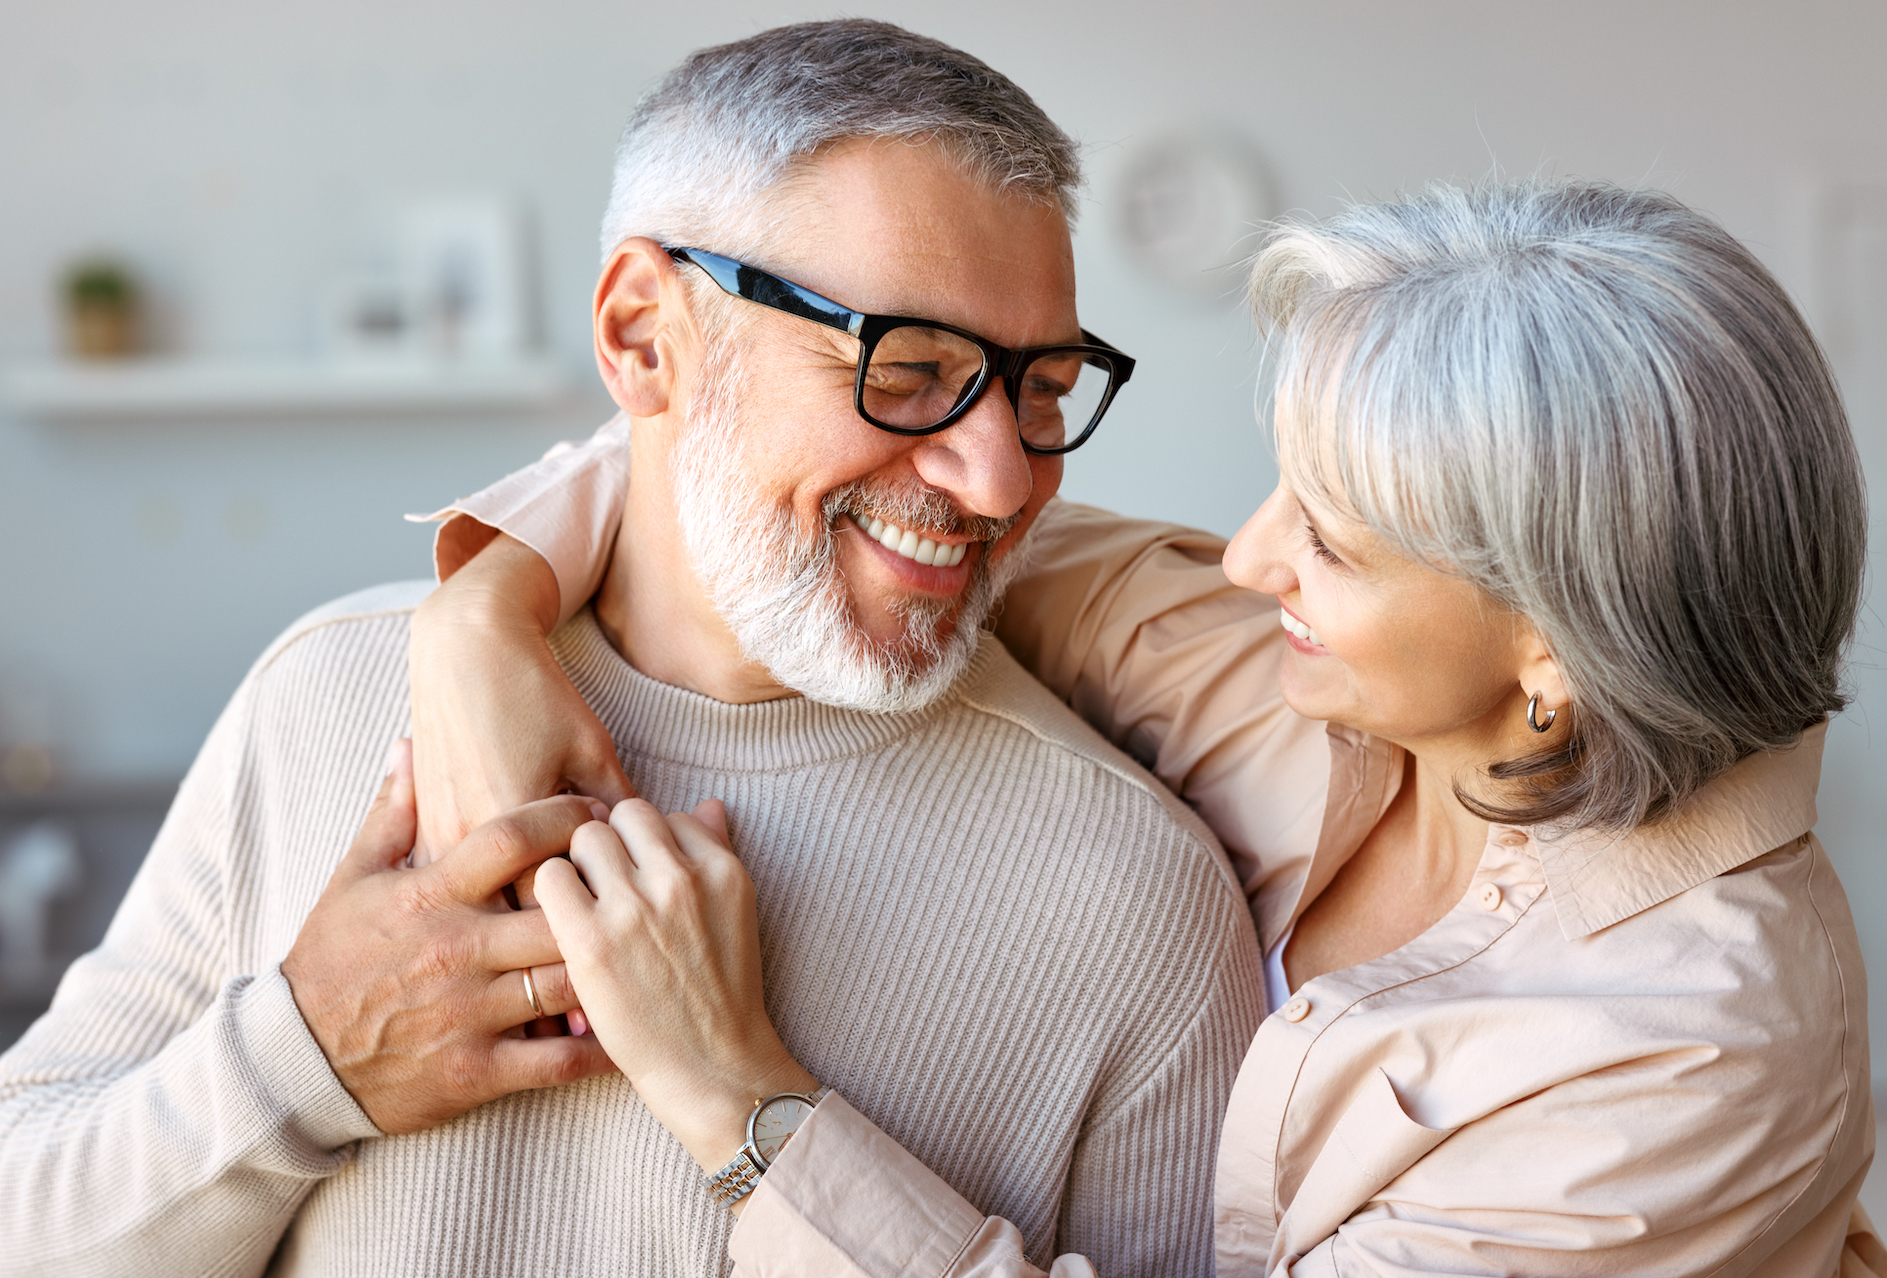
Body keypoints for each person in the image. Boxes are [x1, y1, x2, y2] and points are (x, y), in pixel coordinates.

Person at [413, 178, 1882, 1275]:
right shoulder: (1274, 674)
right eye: (1279, 485)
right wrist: (484, 608)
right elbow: (849, 501)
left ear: (1549, 653)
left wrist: (738, 1096)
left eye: (1332, 541)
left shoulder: (1688, 1064)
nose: (1247, 560)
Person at [0, 23, 1264, 1277]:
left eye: (1040, 391)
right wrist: (307, 1058)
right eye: (911, 367)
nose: (998, 484)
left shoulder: (1136, 903)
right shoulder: (324, 694)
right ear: (643, 336)